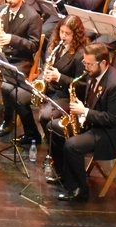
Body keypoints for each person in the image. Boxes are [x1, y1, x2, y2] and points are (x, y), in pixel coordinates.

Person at [45, 43, 116, 202]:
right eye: (84, 63)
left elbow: (112, 119)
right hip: (94, 124)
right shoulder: (94, 73)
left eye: (89, 64)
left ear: (103, 63)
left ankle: (79, 190)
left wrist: (84, 112)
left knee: (73, 145)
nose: (86, 68)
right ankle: (63, 173)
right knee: (52, 126)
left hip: (110, 135)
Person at [0, 0, 43, 143]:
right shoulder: (0, 10)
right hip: (0, 56)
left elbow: (34, 46)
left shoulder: (32, 16)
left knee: (7, 86)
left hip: (20, 60)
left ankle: (9, 119)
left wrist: (12, 40)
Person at [35, 16, 88, 162]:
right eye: (61, 32)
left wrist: (59, 77)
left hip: (68, 95)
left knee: (45, 117)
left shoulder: (81, 54)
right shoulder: (57, 44)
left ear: (76, 35)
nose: (63, 36)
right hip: (52, 88)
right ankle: (34, 135)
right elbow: (49, 64)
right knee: (21, 97)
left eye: (67, 33)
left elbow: (82, 85)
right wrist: (43, 77)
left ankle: (56, 150)